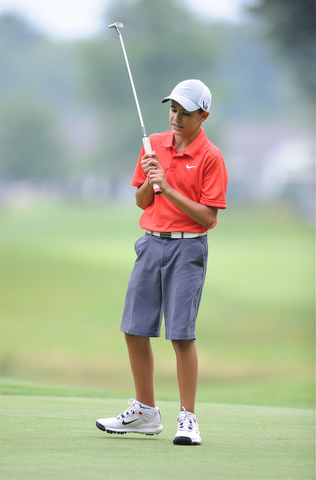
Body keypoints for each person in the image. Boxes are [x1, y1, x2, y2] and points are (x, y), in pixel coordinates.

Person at [96, 79, 228, 445]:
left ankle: (188, 418)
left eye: (186, 113)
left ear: (203, 115)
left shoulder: (210, 157)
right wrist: (151, 180)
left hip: (188, 249)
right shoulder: (152, 145)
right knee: (134, 327)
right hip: (151, 244)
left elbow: (208, 218)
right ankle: (145, 412)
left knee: (181, 334)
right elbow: (142, 201)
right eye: (173, 109)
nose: (177, 118)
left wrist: (167, 187)